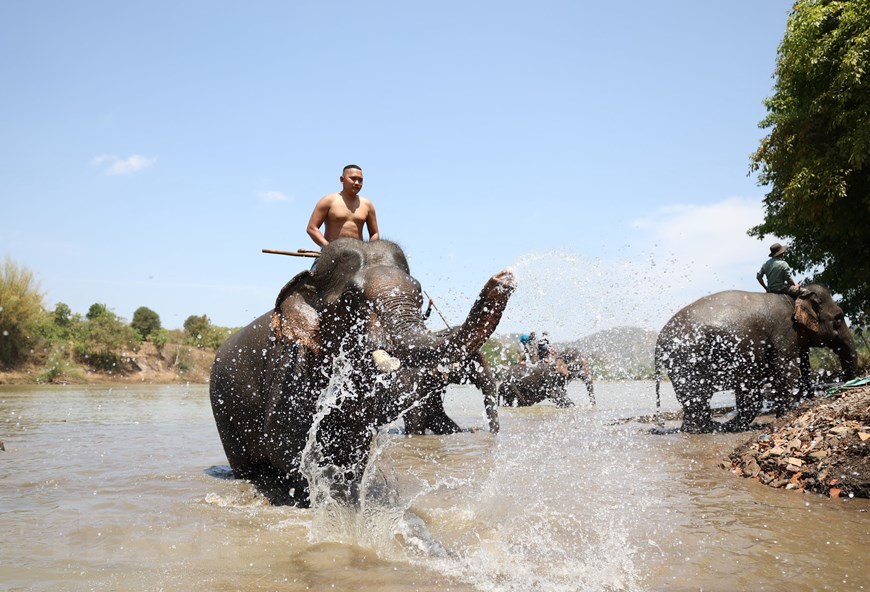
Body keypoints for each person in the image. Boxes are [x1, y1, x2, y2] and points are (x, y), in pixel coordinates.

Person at [306, 164, 380, 248]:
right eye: (353, 178)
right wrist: (328, 247)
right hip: (331, 255)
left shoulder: (367, 205)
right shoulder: (328, 200)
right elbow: (312, 228)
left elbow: (375, 233)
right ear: (342, 179)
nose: (357, 183)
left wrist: (369, 250)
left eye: (360, 180)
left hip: (359, 255)